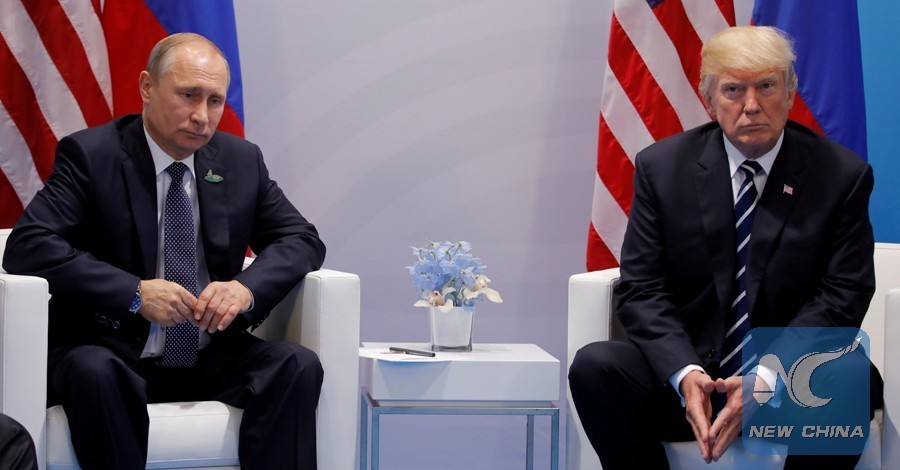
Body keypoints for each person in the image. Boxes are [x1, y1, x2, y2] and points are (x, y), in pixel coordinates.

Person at [2, 33, 326, 469]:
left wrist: (245, 289)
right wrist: (135, 293)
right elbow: (28, 246)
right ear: (147, 87)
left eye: (214, 101)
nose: (202, 116)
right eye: (188, 95)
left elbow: (301, 239)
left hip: (207, 352)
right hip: (110, 349)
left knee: (296, 364)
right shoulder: (93, 155)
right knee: (95, 370)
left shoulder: (240, 160)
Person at [568, 25, 882, 469]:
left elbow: (843, 294)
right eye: (734, 89)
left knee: (851, 374)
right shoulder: (662, 169)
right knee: (596, 365)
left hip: (789, 382)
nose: (751, 105)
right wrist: (685, 373)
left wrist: (767, 376)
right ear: (709, 99)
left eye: (766, 86)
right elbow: (642, 288)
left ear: (790, 93)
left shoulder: (841, 176)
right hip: (688, 382)